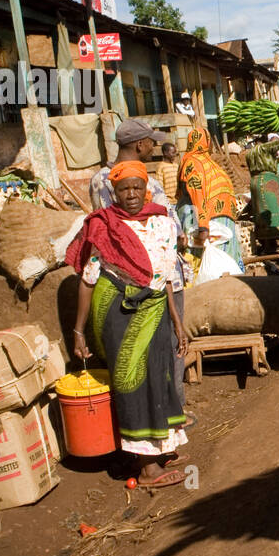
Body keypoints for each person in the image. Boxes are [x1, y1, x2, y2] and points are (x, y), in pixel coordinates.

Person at [67, 161, 190, 488]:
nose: (131, 194)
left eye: (137, 188)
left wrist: (178, 324)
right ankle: (146, 468)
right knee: (131, 381)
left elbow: (165, 276)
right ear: (114, 193)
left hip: (156, 308)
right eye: (124, 189)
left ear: (146, 189)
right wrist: (78, 330)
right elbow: (88, 280)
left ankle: (161, 447)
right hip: (119, 313)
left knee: (159, 374)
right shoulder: (103, 226)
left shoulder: (162, 221)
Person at [89, 119, 189, 406]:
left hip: (120, 281)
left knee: (135, 349)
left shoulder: (99, 180)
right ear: (139, 145)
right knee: (170, 347)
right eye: (151, 143)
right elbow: (173, 232)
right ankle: (174, 411)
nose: (153, 147)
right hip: (158, 279)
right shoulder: (146, 183)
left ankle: (146, 412)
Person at [177, 128, 244, 270]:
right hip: (214, 219)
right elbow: (197, 192)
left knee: (208, 263)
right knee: (217, 262)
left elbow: (198, 193)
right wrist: (203, 227)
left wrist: (203, 226)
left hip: (211, 220)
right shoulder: (200, 163)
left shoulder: (193, 162)